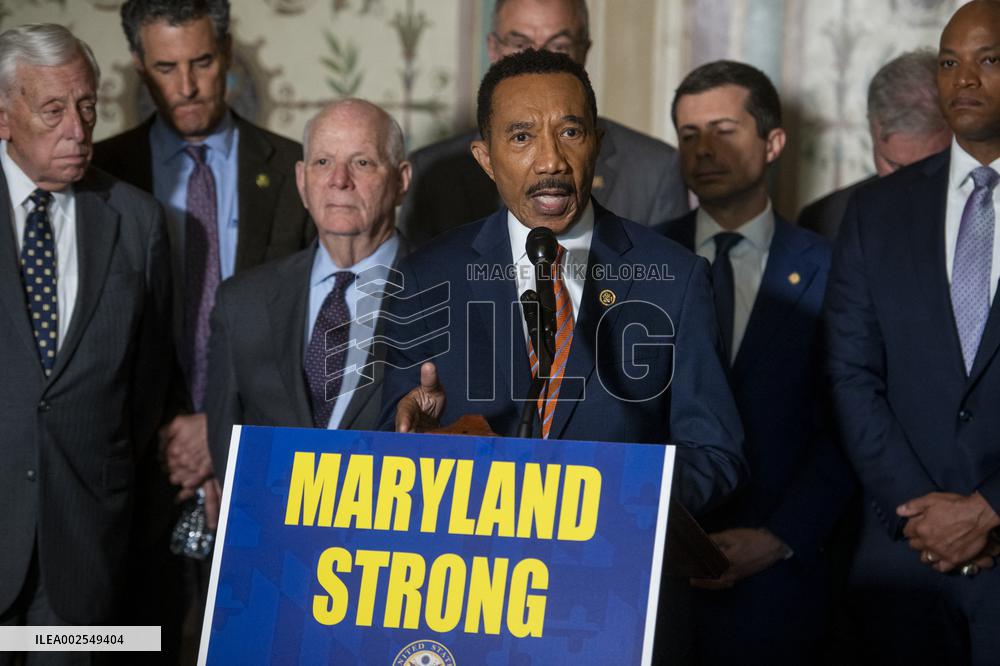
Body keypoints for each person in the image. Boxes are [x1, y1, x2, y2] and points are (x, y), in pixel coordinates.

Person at [379, 48, 746, 662]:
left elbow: (717, 454)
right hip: (471, 611)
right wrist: (410, 437)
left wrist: (602, 494)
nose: (550, 160)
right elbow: (387, 438)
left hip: (616, 608)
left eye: (570, 132)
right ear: (485, 158)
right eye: (521, 136)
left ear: (597, 143)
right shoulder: (427, 276)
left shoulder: (674, 277)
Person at [91, 1, 313, 660]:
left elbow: (310, 331)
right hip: (135, 472)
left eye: (202, 63)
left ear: (228, 53)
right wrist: (171, 427)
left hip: (259, 470)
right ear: (139, 66)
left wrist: (219, 428)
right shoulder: (100, 175)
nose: (186, 86)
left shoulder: (297, 169)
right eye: (165, 68)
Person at [657, 60, 854, 665]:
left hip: (781, 589)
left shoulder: (832, 270)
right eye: (689, 134)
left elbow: (849, 424)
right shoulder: (638, 259)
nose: (703, 149)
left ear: (773, 143)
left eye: (724, 130)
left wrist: (778, 538)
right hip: (655, 583)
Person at [825, 2, 1000, 663]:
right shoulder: (875, 210)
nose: (965, 79)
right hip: (904, 559)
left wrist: (986, 509)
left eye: (989, 60)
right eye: (950, 62)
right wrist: (921, 510)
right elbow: (850, 374)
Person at [0, 22, 172, 660]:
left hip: (83, 545)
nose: (78, 128)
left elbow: (146, 386)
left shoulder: (137, 222)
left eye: (87, 106)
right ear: (3, 116)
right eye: (53, 110)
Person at [206, 99, 410, 476]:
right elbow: (228, 458)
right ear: (301, 181)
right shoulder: (242, 303)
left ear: (401, 180)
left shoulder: (448, 295)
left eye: (362, 162)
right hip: (271, 512)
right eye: (323, 162)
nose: (339, 180)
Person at [398, 0, 688, 245]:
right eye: (520, 43)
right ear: (493, 48)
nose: (538, 57)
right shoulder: (432, 171)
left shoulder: (655, 170)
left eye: (559, 45)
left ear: (585, 50)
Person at [798, 50, 952, 239]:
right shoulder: (826, 222)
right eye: (895, 166)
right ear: (872, 129)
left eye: (928, 166)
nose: (909, 185)